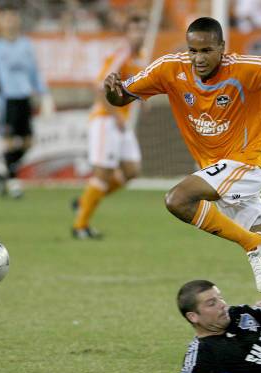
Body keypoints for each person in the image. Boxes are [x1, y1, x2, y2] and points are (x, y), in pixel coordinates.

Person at [104, 17, 261, 331]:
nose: (198, 58)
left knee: (178, 199)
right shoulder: (170, 69)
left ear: (222, 49)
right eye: (193, 50)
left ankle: (253, 244)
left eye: (206, 50)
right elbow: (123, 95)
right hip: (218, 175)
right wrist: (113, 92)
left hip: (246, 164)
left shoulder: (242, 68)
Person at [72, 15, 147, 239]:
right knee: (103, 174)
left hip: (120, 122)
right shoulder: (120, 54)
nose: (139, 35)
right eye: (134, 30)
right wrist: (115, 115)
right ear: (127, 34)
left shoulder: (140, 57)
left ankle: (84, 201)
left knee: (132, 171)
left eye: (142, 30)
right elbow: (99, 86)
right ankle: (80, 226)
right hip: (106, 119)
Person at [0, 6, 54, 199]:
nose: (10, 21)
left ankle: (2, 171)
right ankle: (13, 183)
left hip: (24, 97)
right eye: (6, 18)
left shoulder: (26, 45)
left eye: (13, 17)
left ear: (18, 20)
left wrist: (45, 95)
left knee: (28, 142)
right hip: (6, 99)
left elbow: (35, 72)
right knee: (9, 142)